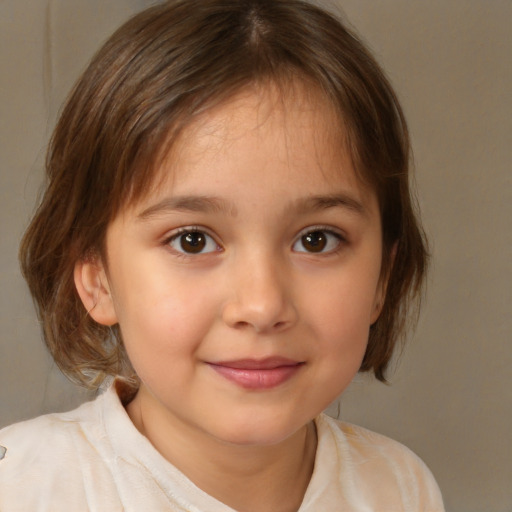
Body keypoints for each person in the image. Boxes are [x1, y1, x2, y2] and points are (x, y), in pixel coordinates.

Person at [0, 0, 445, 510]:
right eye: (192, 240)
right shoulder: (23, 489)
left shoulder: (400, 488)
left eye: (316, 240)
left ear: (383, 278)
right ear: (97, 277)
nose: (261, 306)